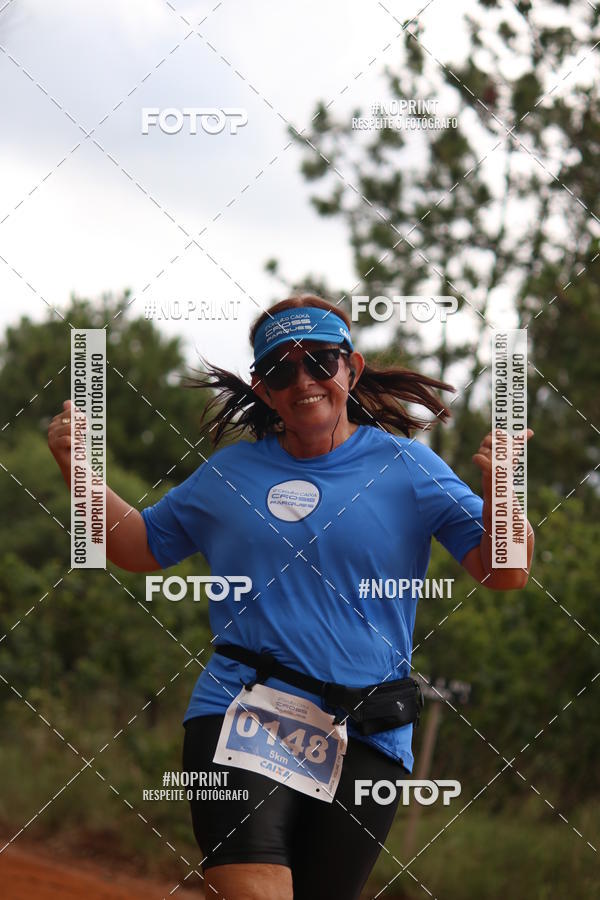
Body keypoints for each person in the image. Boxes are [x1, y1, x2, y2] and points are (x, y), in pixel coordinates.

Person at [47, 293, 534, 900]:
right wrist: (80, 476)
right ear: (263, 387)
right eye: (281, 368)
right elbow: (139, 547)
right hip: (246, 709)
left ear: (350, 369)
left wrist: (504, 493)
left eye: (319, 361)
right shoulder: (231, 476)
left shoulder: (409, 468)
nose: (303, 380)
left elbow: (504, 572)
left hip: (368, 729)